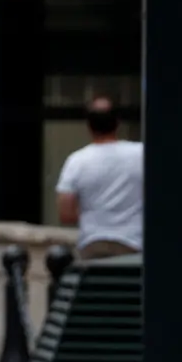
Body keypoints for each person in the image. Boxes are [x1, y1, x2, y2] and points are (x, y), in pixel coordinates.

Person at [55, 97, 144, 261]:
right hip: (134, 244)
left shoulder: (77, 161)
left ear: (89, 126)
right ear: (118, 123)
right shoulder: (140, 154)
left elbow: (66, 213)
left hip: (93, 245)